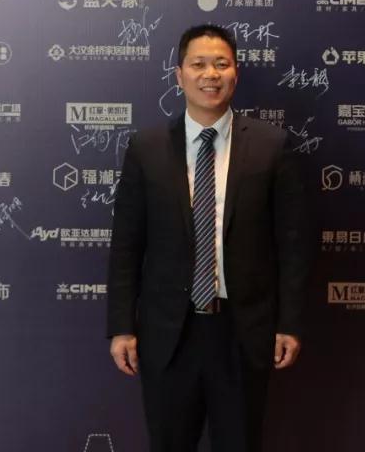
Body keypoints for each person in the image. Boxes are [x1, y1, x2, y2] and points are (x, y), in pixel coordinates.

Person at [107, 24, 312, 452]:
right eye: (198, 64)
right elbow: (126, 245)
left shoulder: (272, 146)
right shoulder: (146, 148)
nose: (210, 74)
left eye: (221, 64)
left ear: (236, 73)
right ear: (179, 75)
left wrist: (289, 324)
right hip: (169, 333)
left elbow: (293, 245)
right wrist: (122, 326)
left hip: (243, 331)